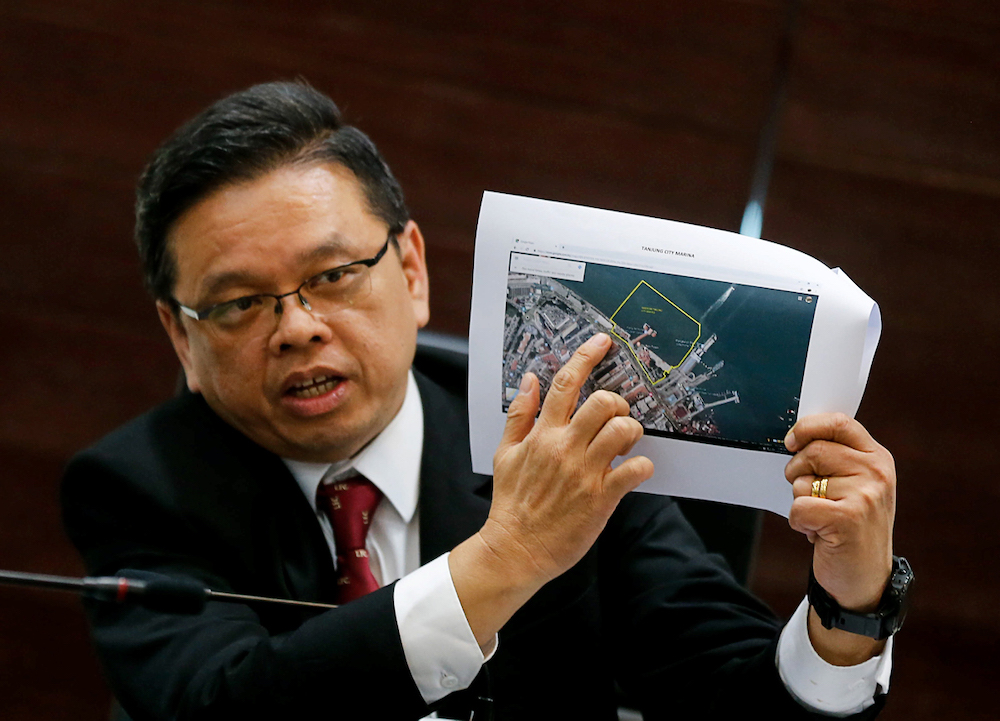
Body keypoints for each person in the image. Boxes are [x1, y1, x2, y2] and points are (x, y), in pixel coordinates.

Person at [62, 81, 901, 720]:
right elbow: (222, 705)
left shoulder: (569, 443)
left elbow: (740, 702)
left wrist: (848, 607)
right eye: (241, 302)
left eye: (332, 276)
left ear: (414, 270)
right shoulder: (139, 489)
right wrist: (508, 556)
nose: (298, 328)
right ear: (180, 337)